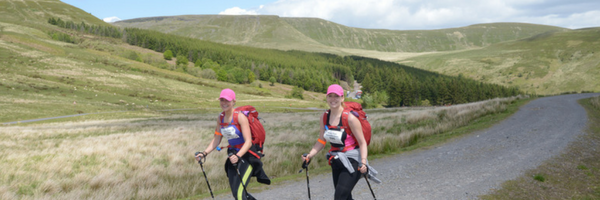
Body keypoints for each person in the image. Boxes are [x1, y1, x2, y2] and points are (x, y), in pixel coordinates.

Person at [302, 84, 378, 200]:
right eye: (330, 96)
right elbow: (322, 140)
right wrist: (310, 155)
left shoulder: (350, 118)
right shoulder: (324, 117)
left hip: (354, 160)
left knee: (339, 197)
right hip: (337, 160)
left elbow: (362, 143)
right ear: (326, 98)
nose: (333, 99)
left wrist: (363, 163)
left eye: (336, 96)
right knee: (345, 197)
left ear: (342, 98)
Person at [195, 88, 267, 200]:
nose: (224, 103)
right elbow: (217, 139)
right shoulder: (220, 118)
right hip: (232, 156)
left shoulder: (240, 117)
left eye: (227, 100)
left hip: (247, 156)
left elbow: (248, 142)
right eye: (222, 100)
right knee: (236, 194)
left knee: (239, 194)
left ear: (234, 101)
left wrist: (238, 156)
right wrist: (204, 153)